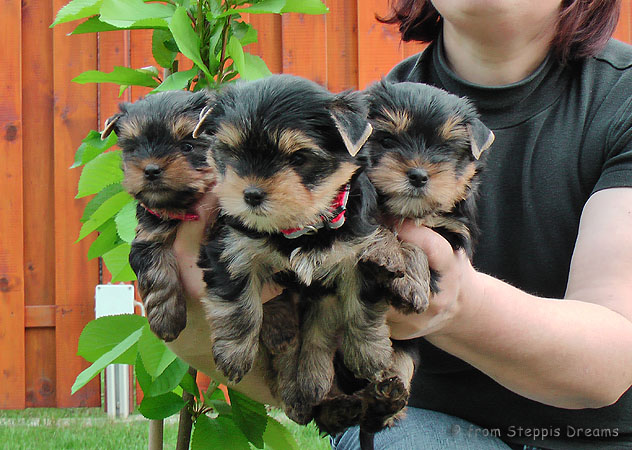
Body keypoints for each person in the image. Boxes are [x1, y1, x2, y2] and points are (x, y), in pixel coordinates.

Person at [167, 1, 632, 448]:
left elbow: (610, 363)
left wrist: (456, 303)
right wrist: (198, 323)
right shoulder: (354, 112)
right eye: (389, 143)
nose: (417, 167)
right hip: (415, 419)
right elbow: (306, 380)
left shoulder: (619, 97)